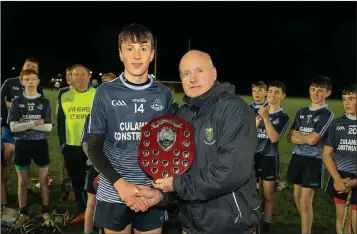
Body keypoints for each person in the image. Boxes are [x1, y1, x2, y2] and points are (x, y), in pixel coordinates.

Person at [135, 50, 262, 234]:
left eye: (199, 71)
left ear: (214, 73)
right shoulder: (182, 115)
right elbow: (178, 171)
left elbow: (231, 171)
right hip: (191, 224)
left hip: (229, 224)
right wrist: (160, 196)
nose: (192, 78)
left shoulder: (234, 109)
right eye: (186, 73)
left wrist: (178, 185)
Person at [87, 23, 172, 234]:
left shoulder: (163, 94)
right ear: (120, 53)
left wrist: (157, 188)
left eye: (143, 48)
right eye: (130, 48)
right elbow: (94, 147)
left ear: (152, 54)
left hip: (150, 191)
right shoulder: (105, 92)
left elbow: (168, 146)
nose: (137, 55)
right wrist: (120, 184)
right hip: (115, 189)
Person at [287, 76, 334, 234]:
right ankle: (306, 228)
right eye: (313, 89)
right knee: (297, 197)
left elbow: (313, 140)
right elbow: (289, 137)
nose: (316, 93)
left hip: (313, 160)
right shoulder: (301, 112)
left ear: (327, 93)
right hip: (297, 157)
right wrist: (303, 137)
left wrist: (299, 135)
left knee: (305, 201)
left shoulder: (326, 114)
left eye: (321, 90)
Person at [7, 68, 53, 229]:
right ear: (22, 82)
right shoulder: (17, 102)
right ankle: (23, 213)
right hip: (22, 145)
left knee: (43, 181)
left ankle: (46, 211)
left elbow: (48, 128)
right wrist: (34, 123)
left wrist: (23, 125)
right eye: (27, 80)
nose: (30, 82)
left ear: (38, 81)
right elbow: (13, 127)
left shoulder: (45, 102)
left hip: (40, 145)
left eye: (33, 79)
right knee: (22, 182)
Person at [57, 64, 96, 223]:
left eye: (82, 74)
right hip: (72, 147)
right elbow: (60, 122)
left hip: (93, 147)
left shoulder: (97, 94)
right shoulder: (65, 96)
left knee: (95, 184)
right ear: (71, 78)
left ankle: (96, 214)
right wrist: (62, 144)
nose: (78, 77)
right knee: (77, 182)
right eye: (75, 75)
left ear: (89, 77)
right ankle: (82, 211)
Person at [81, 73, 115, 234]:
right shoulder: (93, 114)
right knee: (92, 202)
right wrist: (99, 165)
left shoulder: (123, 114)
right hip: (96, 167)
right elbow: (86, 144)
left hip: (116, 169)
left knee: (111, 205)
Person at [1, 58, 44, 184]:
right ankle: (3, 190)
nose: (31, 68)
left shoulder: (38, 87)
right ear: (23, 67)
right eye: (28, 65)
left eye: (34, 67)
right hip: (10, 127)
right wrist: (11, 105)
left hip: (27, 129)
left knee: (25, 161)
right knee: (7, 155)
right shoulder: (10, 82)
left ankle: (24, 186)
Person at [254, 80, 290, 233]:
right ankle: (252, 221)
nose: (272, 95)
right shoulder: (257, 111)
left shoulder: (283, 117)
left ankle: (266, 226)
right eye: (270, 92)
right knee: (252, 193)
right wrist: (255, 123)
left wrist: (266, 118)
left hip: (269, 157)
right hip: (253, 157)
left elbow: (274, 138)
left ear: (283, 96)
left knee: (268, 195)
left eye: (277, 92)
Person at [323, 84, 357, 234]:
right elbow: (327, 154)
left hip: (355, 180)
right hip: (340, 177)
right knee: (342, 217)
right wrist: (337, 179)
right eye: (344, 99)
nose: (346, 103)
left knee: (355, 223)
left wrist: (354, 182)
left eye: (351, 99)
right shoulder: (337, 124)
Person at [56, 66, 75, 202]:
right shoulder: (62, 91)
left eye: (71, 74)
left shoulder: (86, 91)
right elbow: (58, 115)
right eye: (67, 75)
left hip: (81, 135)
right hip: (66, 134)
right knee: (67, 162)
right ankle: (66, 189)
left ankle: (78, 189)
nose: (69, 77)